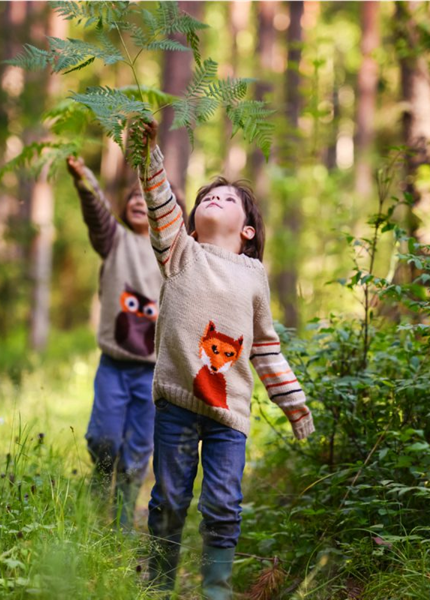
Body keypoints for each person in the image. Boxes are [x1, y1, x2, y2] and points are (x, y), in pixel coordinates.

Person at [134, 122, 315, 600]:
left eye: (228, 199)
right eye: (207, 198)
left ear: (248, 229)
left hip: (229, 416)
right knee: (169, 499)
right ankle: (157, 585)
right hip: (176, 402)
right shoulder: (179, 251)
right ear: (192, 221)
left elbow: (265, 348)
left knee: (223, 505)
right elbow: (159, 202)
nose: (215, 199)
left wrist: (295, 405)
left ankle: (216, 589)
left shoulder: (254, 277)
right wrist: (147, 150)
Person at [67, 155, 162, 530]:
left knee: (139, 451)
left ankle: (121, 522)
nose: (140, 200)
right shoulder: (114, 240)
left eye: (147, 195)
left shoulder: (172, 255)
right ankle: (97, 489)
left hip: (153, 372)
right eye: (133, 196)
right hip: (115, 365)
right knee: (104, 439)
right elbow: (96, 212)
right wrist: (84, 179)